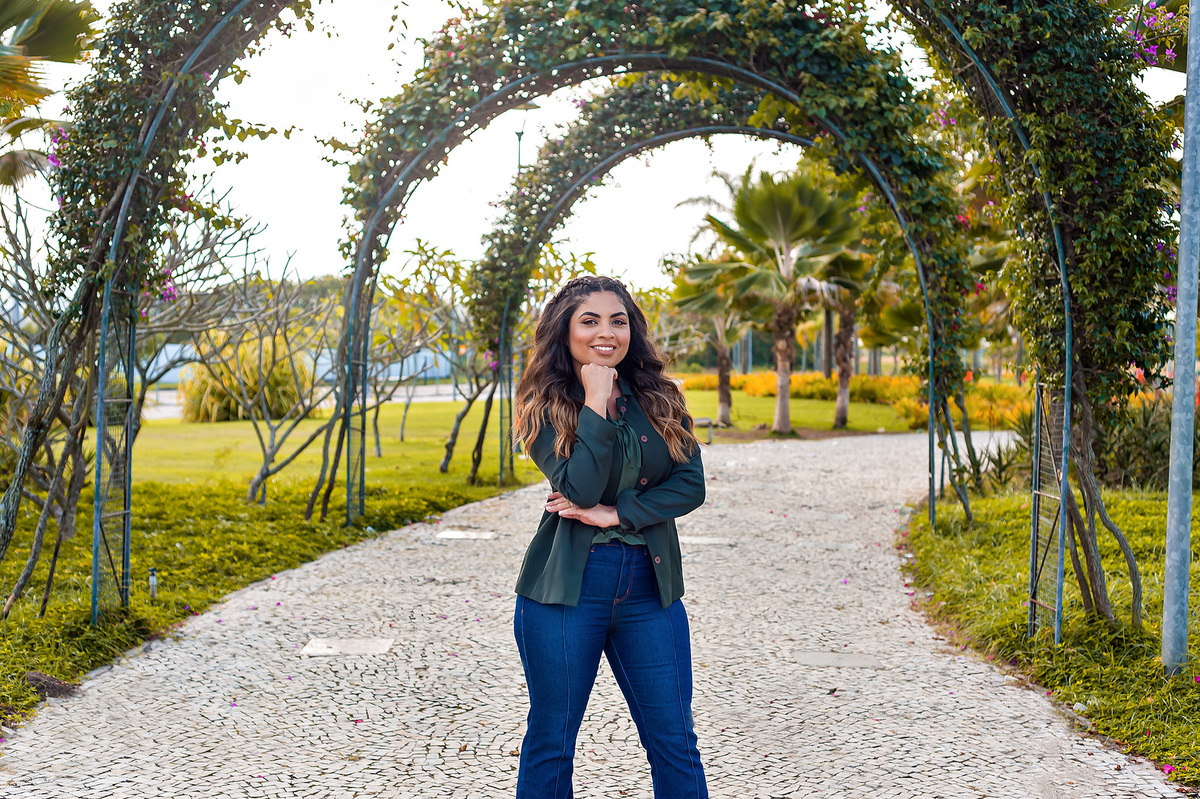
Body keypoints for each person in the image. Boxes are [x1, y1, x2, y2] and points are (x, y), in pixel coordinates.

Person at [511, 275, 708, 798]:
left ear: (631, 330)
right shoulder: (544, 406)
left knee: (674, 739)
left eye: (618, 321)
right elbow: (578, 485)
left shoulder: (659, 398)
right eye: (590, 320)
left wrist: (615, 514)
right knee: (552, 740)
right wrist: (596, 398)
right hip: (566, 592)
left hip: (649, 589)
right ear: (566, 332)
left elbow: (690, 485)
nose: (607, 332)